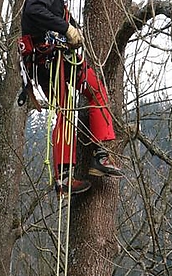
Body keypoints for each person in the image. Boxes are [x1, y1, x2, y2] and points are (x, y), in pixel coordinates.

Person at [21, 0, 122, 197]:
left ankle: (67, 176)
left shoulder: (58, 5)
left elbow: (58, 18)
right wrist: (67, 28)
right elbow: (34, 10)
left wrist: (73, 29)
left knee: (68, 109)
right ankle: (97, 157)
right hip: (51, 59)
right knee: (94, 94)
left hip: (50, 61)